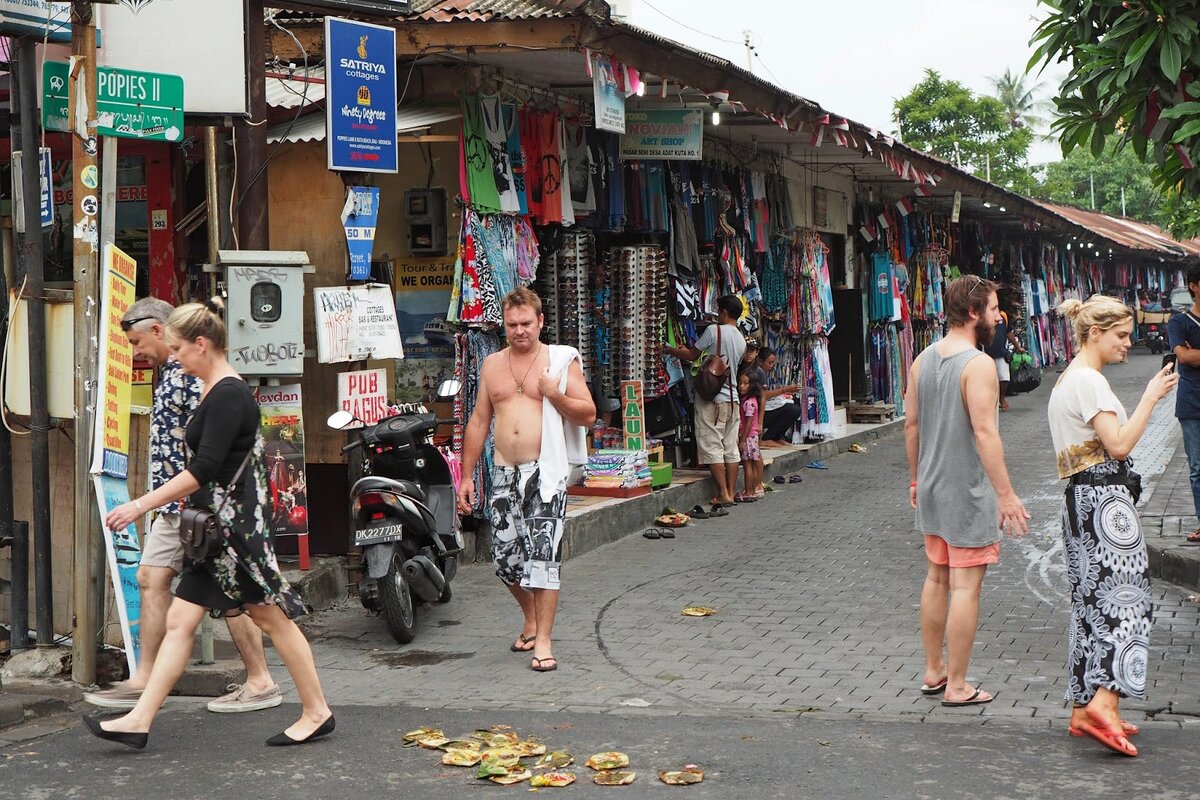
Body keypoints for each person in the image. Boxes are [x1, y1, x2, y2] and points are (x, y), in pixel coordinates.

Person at [85, 299, 332, 750]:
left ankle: (317, 711)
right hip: (214, 532)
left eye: (179, 348)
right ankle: (139, 720)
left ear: (202, 344)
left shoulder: (227, 394)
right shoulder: (213, 388)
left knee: (272, 619)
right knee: (181, 621)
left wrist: (140, 505)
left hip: (234, 534)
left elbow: (203, 468)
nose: (174, 356)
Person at [1048, 296, 1177, 758]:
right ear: (1095, 333)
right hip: (1105, 500)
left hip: (1082, 497)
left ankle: (1088, 704)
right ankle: (1105, 701)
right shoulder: (1088, 381)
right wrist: (1151, 397)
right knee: (1127, 600)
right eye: (1122, 335)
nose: (1129, 342)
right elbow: (1119, 445)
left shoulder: (1070, 378)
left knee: (1091, 604)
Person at [905, 275, 1030, 708]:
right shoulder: (977, 365)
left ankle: (934, 670)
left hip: (934, 487)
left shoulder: (922, 359)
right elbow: (985, 433)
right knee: (965, 588)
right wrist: (1007, 494)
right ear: (974, 313)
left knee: (936, 578)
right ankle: (957, 685)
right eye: (995, 309)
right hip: (967, 491)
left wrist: (917, 479)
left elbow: (911, 427)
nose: (1000, 316)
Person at [456, 287, 595, 673]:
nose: (519, 331)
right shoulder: (492, 365)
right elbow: (479, 421)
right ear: (505, 324)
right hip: (503, 473)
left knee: (543, 560)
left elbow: (587, 414)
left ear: (540, 322)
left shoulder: (560, 362)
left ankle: (544, 641)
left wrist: (554, 394)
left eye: (526, 324)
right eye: (512, 324)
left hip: (545, 473)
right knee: (504, 560)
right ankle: (532, 616)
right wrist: (466, 476)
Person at [663, 295, 747, 514]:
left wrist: (671, 350)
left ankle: (723, 493)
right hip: (733, 400)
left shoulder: (713, 330)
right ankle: (729, 490)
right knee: (730, 447)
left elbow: (692, 355)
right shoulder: (741, 339)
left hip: (712, 400)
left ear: (724, 312)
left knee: (712, 445)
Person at [1168, 264, 1200, 542]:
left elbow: (1192, 356)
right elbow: (1185, 358)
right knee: (1197, 468)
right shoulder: (1180, 322)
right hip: (1191, 404)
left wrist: (1194, 352)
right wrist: (1188, 354)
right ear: (1194, 286)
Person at [751, 348, 801, 447]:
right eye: (769, 363)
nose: (771, 366)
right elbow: (763, 396)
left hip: (762, 408)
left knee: (792, 407)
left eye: (772, 363)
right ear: (760, 361)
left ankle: (777, 437)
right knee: (792, 410)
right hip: (755, 411)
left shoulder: (761, 372)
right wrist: (784, 390)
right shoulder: (758, 372)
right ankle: (768, 438)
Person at [984, 302, 1027, 412]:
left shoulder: (1003, 316)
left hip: (1002, 352)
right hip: (987, 353)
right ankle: (992, 401)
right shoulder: (983, 316)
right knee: (990, 380)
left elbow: (1009, 333)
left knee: (1004, 379)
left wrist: (1018, 347)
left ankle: (1001, 398)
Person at [736, 369, 764, 502]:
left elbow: (748, 423)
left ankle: (749, 491)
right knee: (751, 464)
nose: (742, 386)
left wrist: (742, 440)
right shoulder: (752, 401)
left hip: (748, 437)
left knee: (747, 465)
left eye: (746, 383)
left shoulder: (748, 403)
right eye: (740, 383)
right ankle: (751, 490)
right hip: (752, 437)